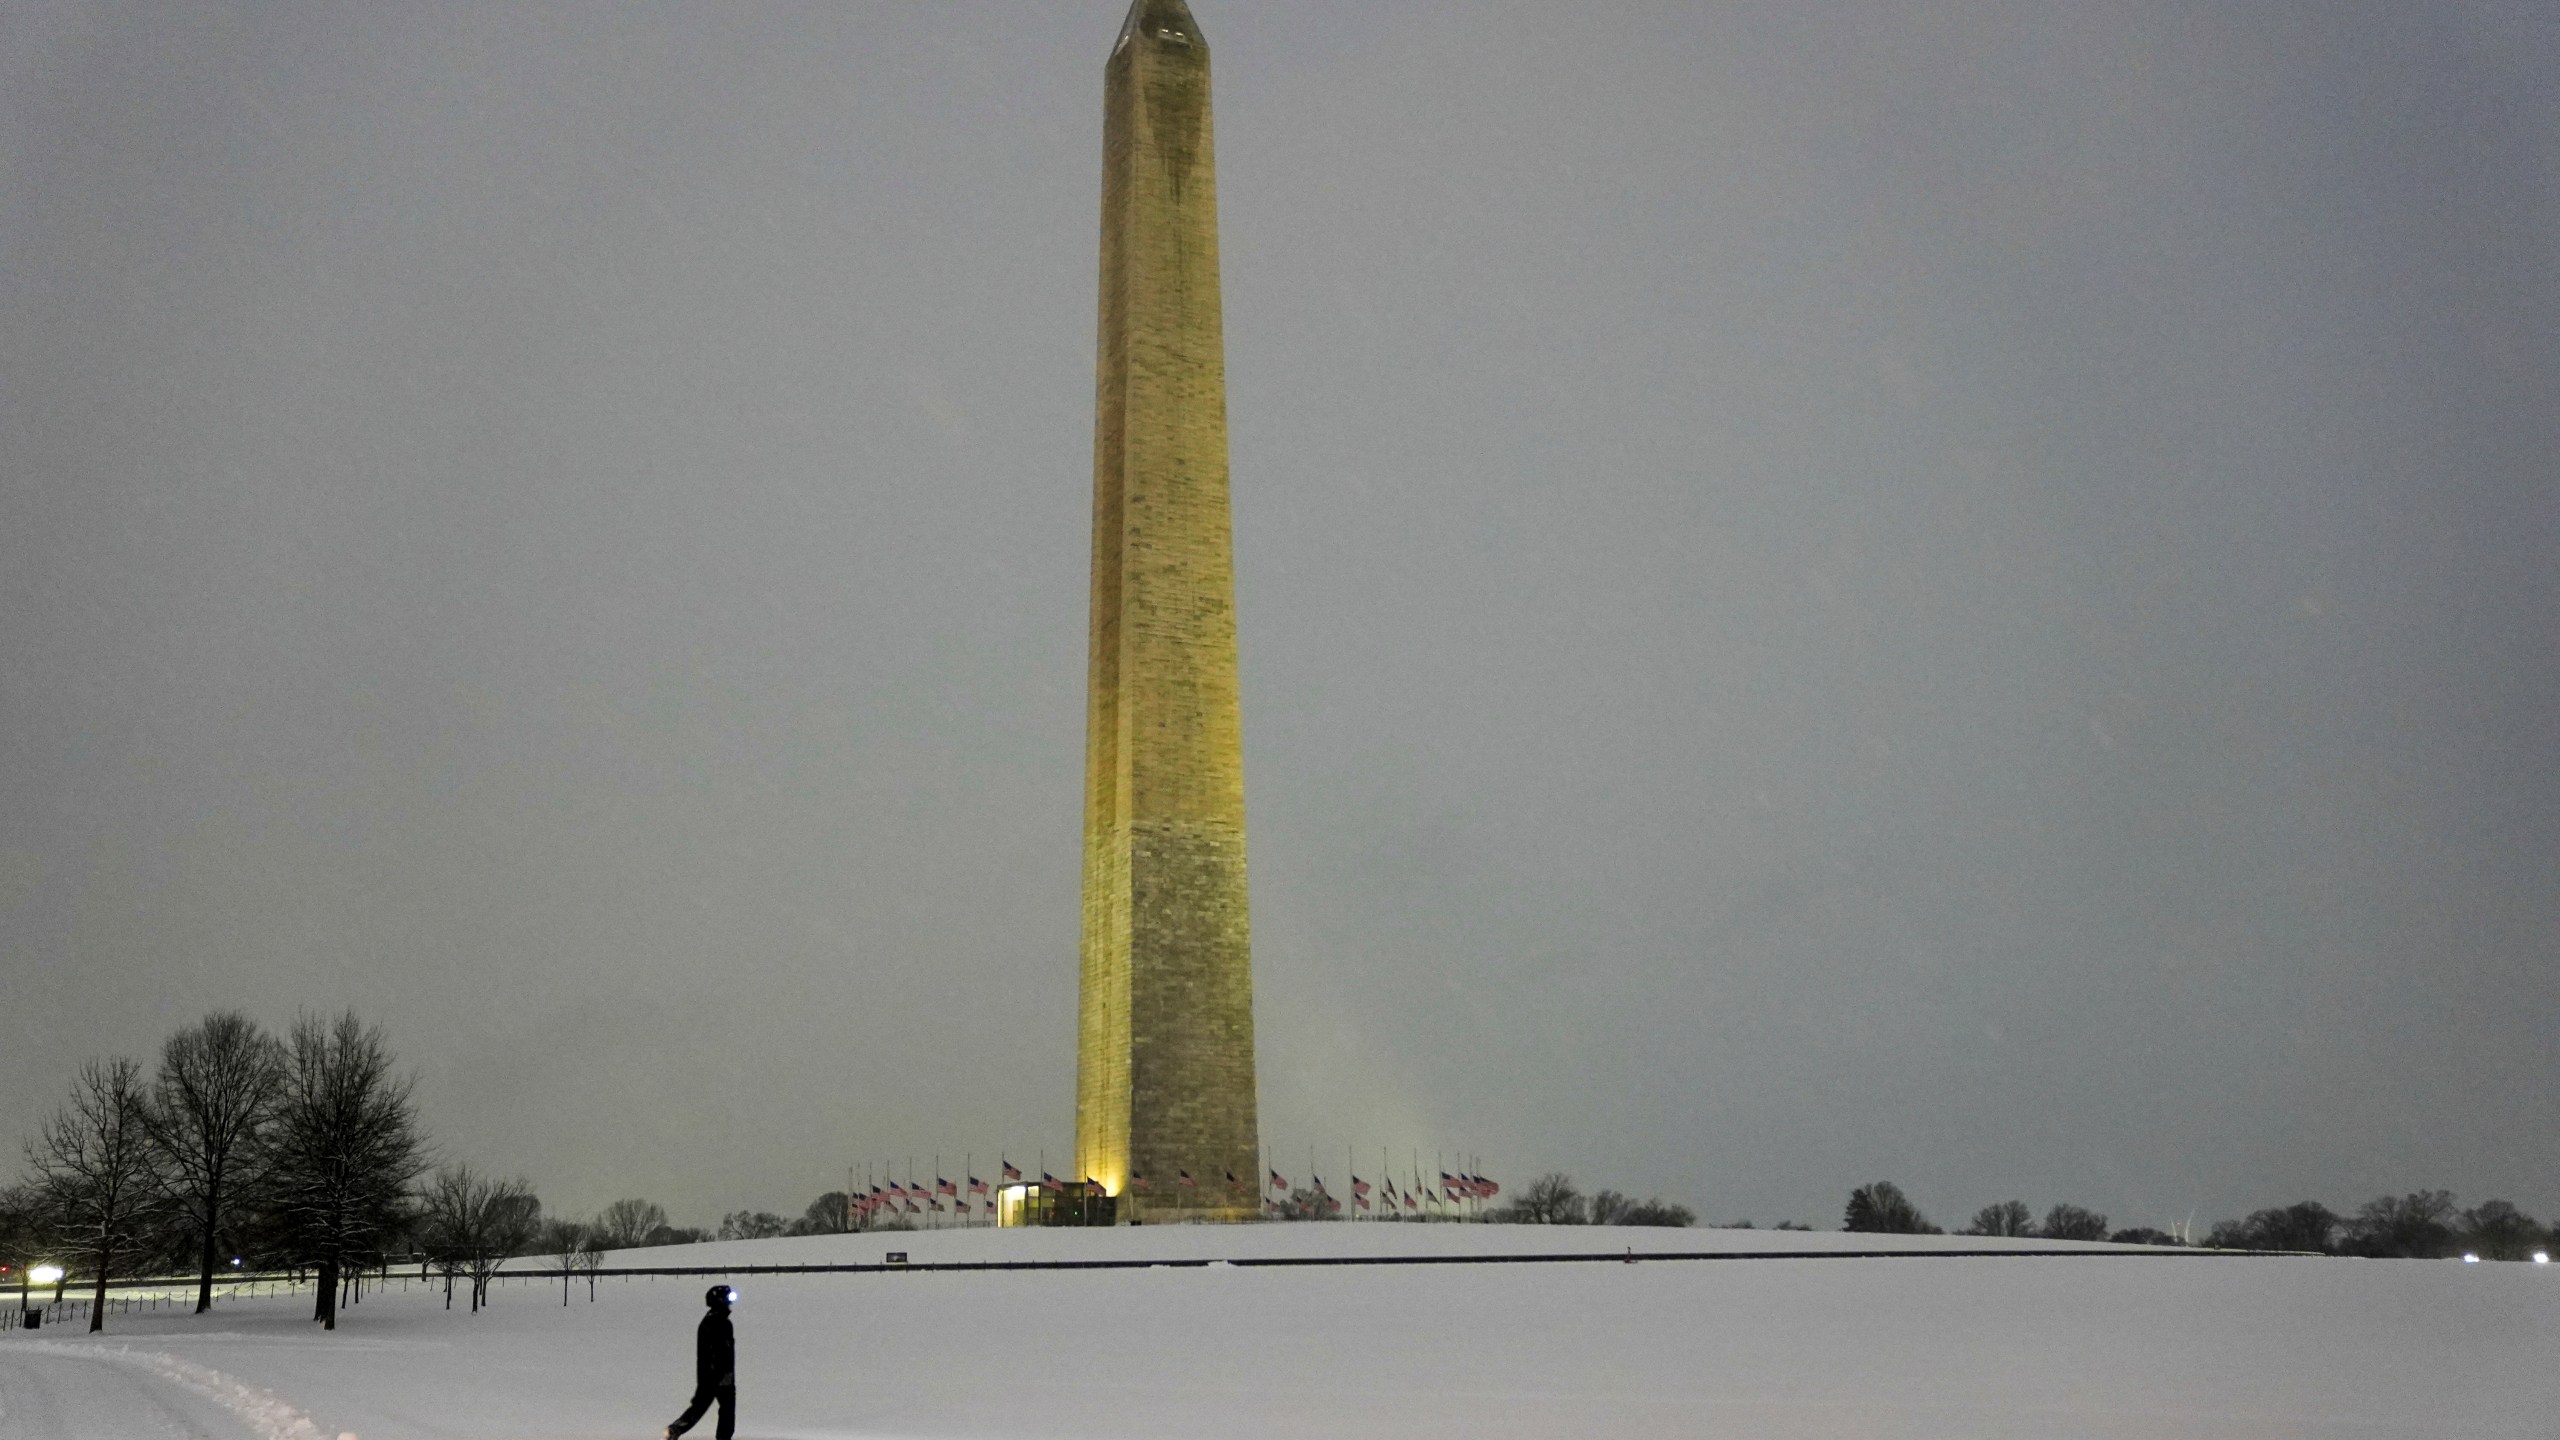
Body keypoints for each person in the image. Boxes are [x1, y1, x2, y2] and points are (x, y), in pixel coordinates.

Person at [665, 1284, 736, 1439]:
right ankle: (675, 1429)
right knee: (715, 1409)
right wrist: (717, 1375)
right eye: (727, 1299)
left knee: (710, 1408)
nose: (730, 1303)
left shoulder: (718, 1323)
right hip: (715, 1376)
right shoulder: (715, 1323)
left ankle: (676, 1429)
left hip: (719, 1376)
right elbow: (713, 1353)